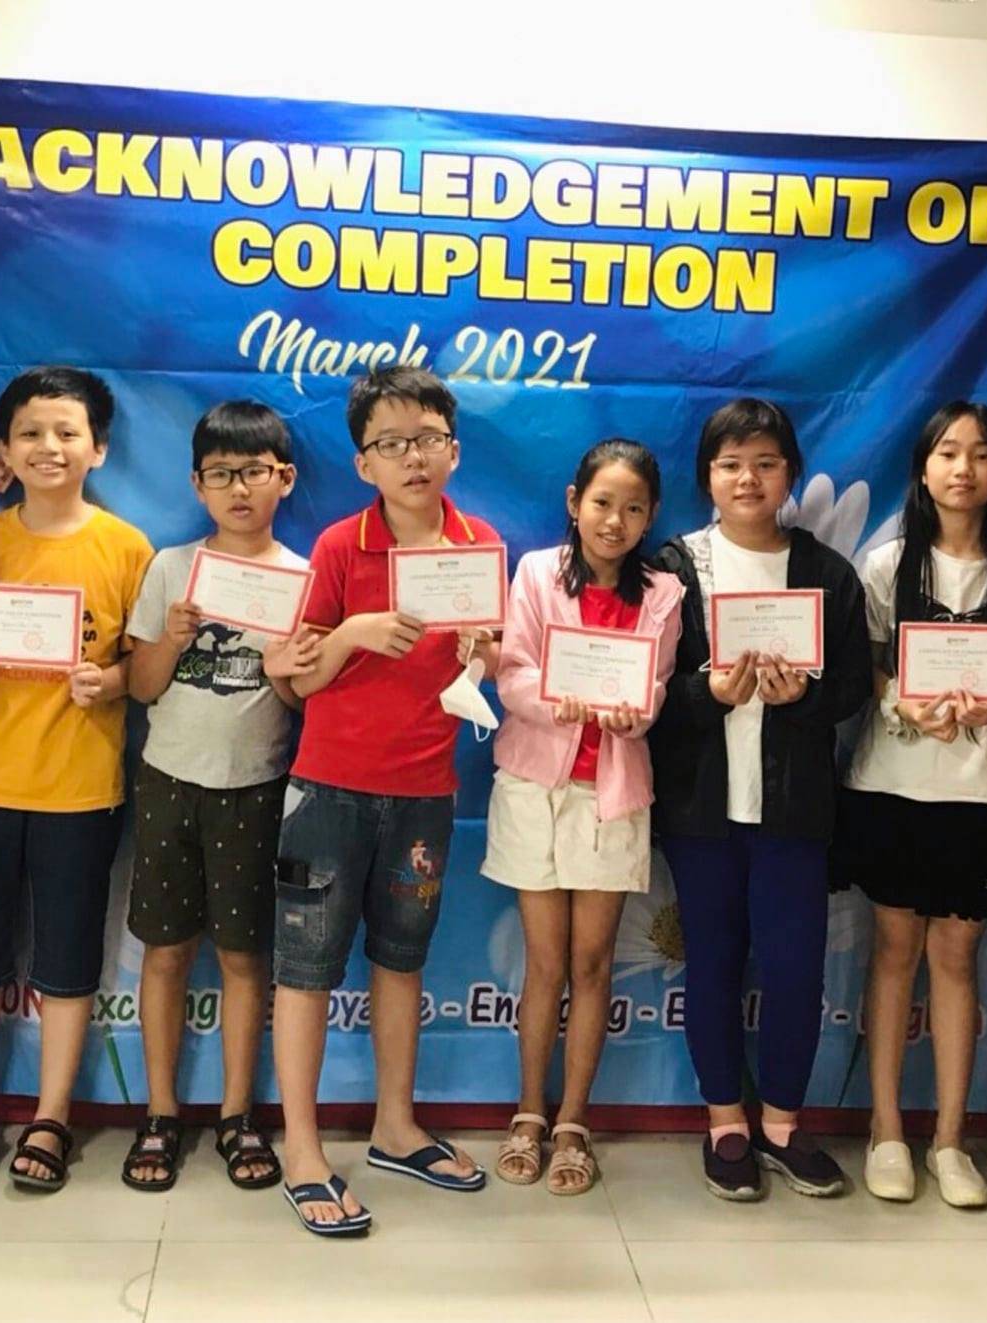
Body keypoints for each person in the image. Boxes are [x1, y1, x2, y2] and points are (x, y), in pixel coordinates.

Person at [271, 365, 501, 1236]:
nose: (413, 457)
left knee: (402, 959)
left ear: (454, 450)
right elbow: (298, 679)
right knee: (305, 968)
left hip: (425, 792)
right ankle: (302, 1147)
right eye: (392, 444)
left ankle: (396, 1127)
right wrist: (355, 634)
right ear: (364, 462)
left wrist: (482, 652)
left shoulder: (478, 543)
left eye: (428, 439)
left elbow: (485, 668)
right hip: (327, 788)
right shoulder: (340, 546)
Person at [0, 366, 154, 1193]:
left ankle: (52, 1113)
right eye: (29, 432)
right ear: (7, 447)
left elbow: (143, 667)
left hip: (79, 790)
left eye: (67, 432)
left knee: (67, 959)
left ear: (99, 448)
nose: (48, 446)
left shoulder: (127, 548)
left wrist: (111, 681)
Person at [842, 400, 987, 1209]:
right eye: (947, 451)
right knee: (893, 950)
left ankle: (949, 1139)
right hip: (894, 783)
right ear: (924, 467)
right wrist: (900, 699)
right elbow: (866, 668)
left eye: (980, 454)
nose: (963, 468)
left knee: (957, 955)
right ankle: (885, 1130)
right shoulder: (886, 564)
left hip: (985, 791)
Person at [648, 398, 870, 1203]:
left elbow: (853, 687)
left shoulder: (826, 572)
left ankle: (781, 1122)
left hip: (794, 811)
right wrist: (705, 693)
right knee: (710, 962)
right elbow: (649, 688)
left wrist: (801, 697)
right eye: (731, 464)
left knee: (794, 967)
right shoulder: (675, 567)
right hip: (702, 810)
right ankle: (724, 1123)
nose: (749, 478)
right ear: (707, 476)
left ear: (790, 474)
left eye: (766, 463)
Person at [118, 401, 320, 1192]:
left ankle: (238, 1114)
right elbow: (141, 687)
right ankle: (161, 1112)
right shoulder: (172, 568)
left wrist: (283, 671)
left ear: (285, 478)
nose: (240, 488)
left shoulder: (301, 577)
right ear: (197, 484)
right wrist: (170, 637)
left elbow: (303, 701)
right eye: (222, 474)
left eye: (255, 472)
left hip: (256, 787)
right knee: (166, 951)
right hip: (169, 779)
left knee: (243, 955)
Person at [485, 439, 684, 1195]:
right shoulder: (537, 572)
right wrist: (555, 701)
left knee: (593, 962)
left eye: (633, 508)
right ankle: (527, 1113)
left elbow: (654, 689)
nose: (614, 521)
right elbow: (514, 672)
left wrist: (630, 713)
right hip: (534, 787)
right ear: (575, 503)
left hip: (612, 792)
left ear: (650, 517)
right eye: (602, 503)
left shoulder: (663, 592)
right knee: (545, 962)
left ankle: (573, 1120)